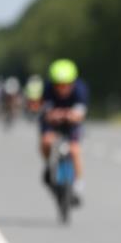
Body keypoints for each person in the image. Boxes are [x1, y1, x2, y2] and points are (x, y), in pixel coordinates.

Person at [40, 59, 88, 203]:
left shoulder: (80, 89)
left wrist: (70, 116)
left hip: (72, 123)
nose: (62, 88)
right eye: (58, 85)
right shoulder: (47, 89)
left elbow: (80, 113)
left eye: (66, 85)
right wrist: (53, 115)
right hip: (52, 123)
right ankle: (49, 165)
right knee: (46, 141)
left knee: (74, 150)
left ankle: (78, 185)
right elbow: (46, 112)